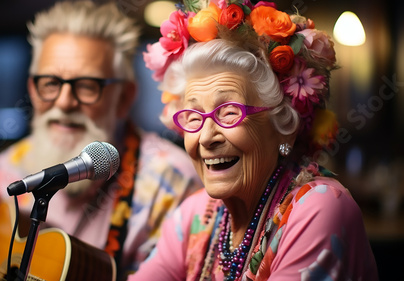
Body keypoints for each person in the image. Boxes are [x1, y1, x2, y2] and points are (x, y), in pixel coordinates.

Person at [0, 1, 202, 280]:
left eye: (88, 85)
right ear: (33, 89)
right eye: (51, 83)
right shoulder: (23, 159)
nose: (64, 102)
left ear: (124, 98)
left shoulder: (172, 183)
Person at [130, 1, 378, 280]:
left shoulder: (321, 207)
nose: (207, 137)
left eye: (229, 112)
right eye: (194, 116)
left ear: (284, 126)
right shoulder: (196, 214)